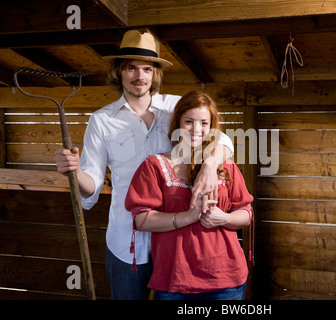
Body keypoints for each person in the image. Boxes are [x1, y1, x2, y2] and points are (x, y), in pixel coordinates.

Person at [54, 30, 234, 300]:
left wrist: (209, 164)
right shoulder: (102, 121)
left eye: (147, 69)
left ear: (155, 74)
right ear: (119, 72)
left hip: (178, 241)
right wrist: (74, 170)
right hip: (127, 242)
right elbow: (90, 186)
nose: (140, 76)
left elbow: (223, 140)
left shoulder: (176, 108)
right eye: (131, 68)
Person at [125, 91, 254, 300]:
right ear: (177, 123)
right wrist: (188, 216)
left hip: (226, 280)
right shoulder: (154, 166)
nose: (196, 130)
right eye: (188, 122)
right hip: (175, 280)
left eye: (203, 123)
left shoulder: (227, 167)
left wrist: (226, 218)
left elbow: (246, 213)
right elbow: (141, 219)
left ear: (211, 128)